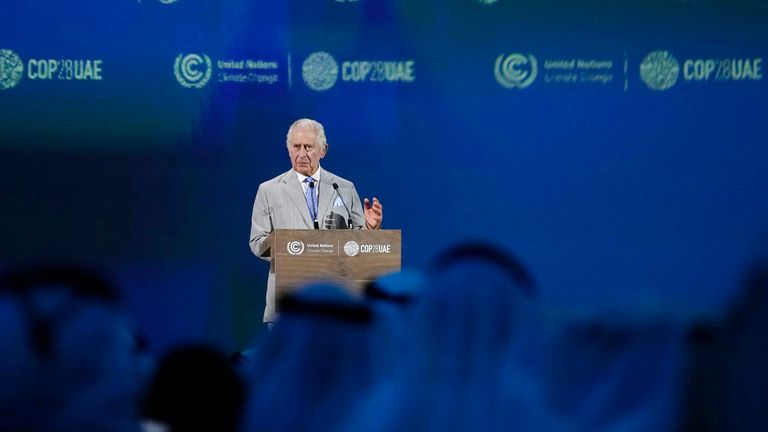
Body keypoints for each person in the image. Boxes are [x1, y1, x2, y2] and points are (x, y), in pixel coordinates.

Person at [249, 118, 383, 324]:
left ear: (323, 150)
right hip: (288, 302)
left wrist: (370, 228)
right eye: (296, 147)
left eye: (308, 147)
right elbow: (257, 243)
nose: (301, 154)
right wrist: (287, 242)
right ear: (288, 149)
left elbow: (358, 247)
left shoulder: (344, 188)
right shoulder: (269, 190)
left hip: (335, 302)